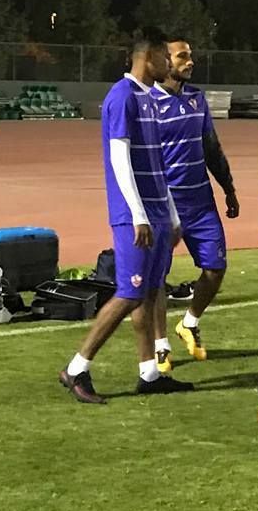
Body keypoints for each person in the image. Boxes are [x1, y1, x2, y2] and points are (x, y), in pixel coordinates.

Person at [58, 28, 192, 404]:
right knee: (129, 293)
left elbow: (156, 163)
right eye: (165, 57)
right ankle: (76, 367)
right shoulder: (122, 98)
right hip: (135, 216)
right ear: (147, 57)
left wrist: (171, 214)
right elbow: (120, 160)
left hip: (157, 215)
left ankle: (149, 373)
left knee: (150, 292)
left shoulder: (148, 99)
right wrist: (138, 214)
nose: (169, 64)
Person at [149, 36, 239, 372]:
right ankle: (160, 344)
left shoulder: (197, 99)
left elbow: (212, 148)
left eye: (191, 55)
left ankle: (188, 322)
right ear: (164, 60)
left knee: (216, 268)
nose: (190, 61)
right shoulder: (148, 103)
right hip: (165, 205)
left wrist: (228, 188)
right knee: (158, 276)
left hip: (201, 202)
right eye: (182, 56)